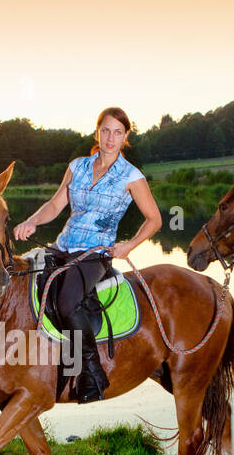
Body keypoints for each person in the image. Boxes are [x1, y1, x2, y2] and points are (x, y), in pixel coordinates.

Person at [13, 107, 162, 402]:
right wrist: (31, 221)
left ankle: (92, 374)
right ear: (97, 132)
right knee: (23, 285)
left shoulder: (131, 176)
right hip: (62, 247)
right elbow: (56, 205)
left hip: (95, 255)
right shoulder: (78, 166)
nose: (110, 137)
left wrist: (129, 245)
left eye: (117, 132)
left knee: (68, 303)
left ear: (125, 138)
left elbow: (154, 219)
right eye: (106, 130)